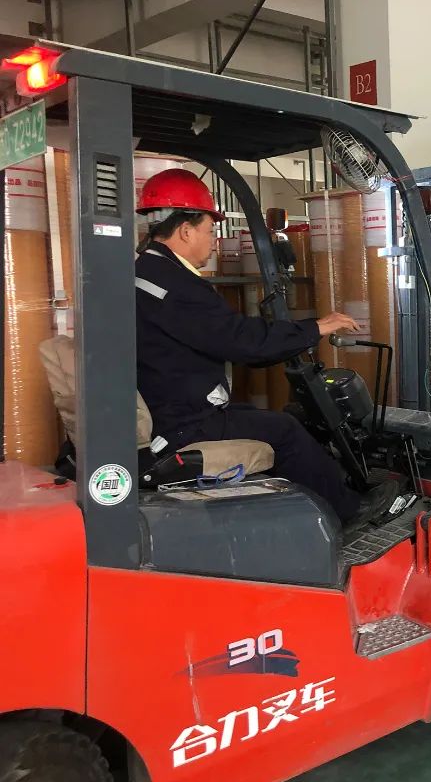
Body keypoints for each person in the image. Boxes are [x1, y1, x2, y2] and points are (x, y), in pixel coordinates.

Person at [134, 167, 371, 523]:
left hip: (167, 406)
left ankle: (292, 510)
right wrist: (316, 327)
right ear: (185, 230)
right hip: (181, 422)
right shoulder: (177, 286)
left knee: (260, 413)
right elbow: (246, 343)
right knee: (287, 431)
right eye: (210, 230)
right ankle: (348, 513)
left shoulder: (145, 272)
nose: (214, 241)